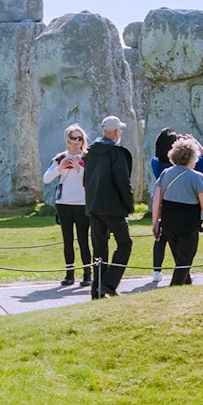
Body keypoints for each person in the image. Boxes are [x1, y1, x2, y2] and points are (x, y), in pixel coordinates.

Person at [150, 138, 203, 286]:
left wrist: (155, 224)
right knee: (185, 260)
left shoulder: (165, 173)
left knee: (180, 260)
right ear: (192, 157)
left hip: (168, 222)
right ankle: (174, 290)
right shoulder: (197, 177)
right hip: (188, 223)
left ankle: (186, 287)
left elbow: (156, 200)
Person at [82, 116, 135, 299]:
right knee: (125, 243)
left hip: (94, 206)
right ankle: (109, 283)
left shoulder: (90, 152)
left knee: (99, 250)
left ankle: (97, 290)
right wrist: (130, 205)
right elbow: (123, 182)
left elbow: (85, 181)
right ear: (115, 132)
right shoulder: (115, 152)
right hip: (112, 207)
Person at [43, 123, 92, 287]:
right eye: (74, 138)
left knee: (84, 239)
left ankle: (87, 274)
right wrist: (60, 167)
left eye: (80, 138)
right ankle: (69, 274)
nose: (77, 141)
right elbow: (46, 179)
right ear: (67, 140)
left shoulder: (87, 156)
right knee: (67, 239)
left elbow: (91, 179)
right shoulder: (60, 157)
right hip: (63, 203)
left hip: (82, 203)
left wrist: (78, 168)